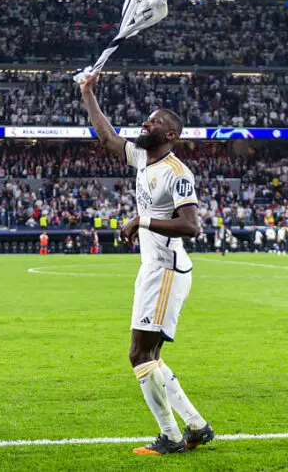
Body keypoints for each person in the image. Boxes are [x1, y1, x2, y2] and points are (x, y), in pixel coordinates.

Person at [81, 72, 213, 455]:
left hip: (167, 269)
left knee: (140, 355)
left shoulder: (178, 174)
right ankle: (196, 425)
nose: (146, 123)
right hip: (153, 268)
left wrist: (142, 220)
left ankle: (171, 437)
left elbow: (190, 226)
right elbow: (107, 138)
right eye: (148, 118)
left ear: (171, 135)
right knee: (150, 356)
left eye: (155, 122)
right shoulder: (142, 157)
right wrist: (88, 93)